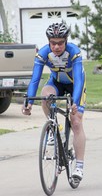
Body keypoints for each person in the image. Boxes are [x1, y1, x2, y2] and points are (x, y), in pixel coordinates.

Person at [22, 22, 87, 181]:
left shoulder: (74, 52)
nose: (57, 47)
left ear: (66, 41)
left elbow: (78, 80)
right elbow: (35, 79)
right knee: (46, 95)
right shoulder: (43, 53)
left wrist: (75, 102)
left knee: (76, 121)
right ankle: (54, 127)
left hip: (75, 85)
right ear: (48, 41)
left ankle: (79, 166)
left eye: (60, 43)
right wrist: (29, 101)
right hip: (56, 82)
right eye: (53, 43)